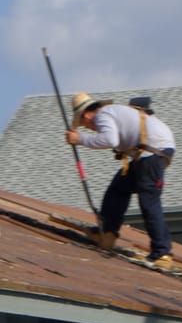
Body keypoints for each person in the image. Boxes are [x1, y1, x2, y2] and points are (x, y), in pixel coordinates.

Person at [65, 93, 176, 269]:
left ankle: (162, 252)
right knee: (119, 188)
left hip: (152, 154)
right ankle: (107, 232)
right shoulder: (112, 112)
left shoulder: (103, 115)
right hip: (152, 153)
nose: (89, 128)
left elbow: (109, 140)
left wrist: (80, 139)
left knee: (149, 202)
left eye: (84, 125)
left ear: (86, 116)